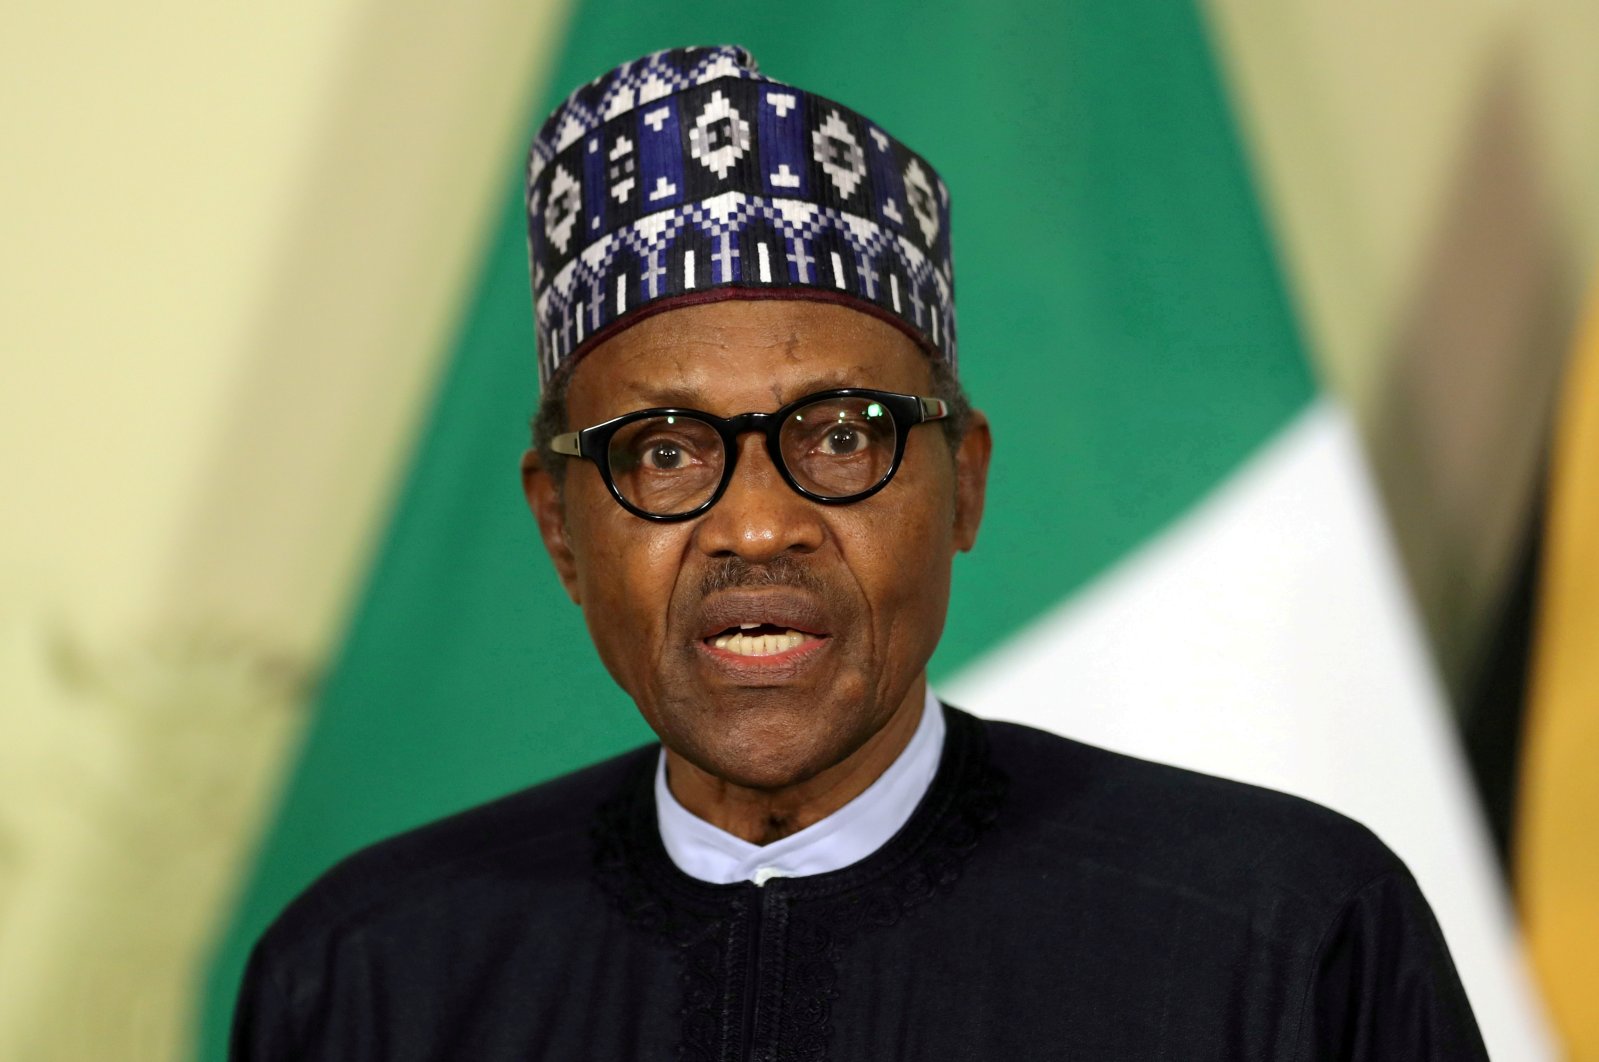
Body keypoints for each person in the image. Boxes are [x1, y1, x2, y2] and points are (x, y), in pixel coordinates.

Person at [231, 45, 1487, 1060]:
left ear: (964, 486)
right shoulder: (366, 977)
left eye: (841, 435)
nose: (759, 523)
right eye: (664, 451)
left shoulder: (1280, 935)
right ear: (563, 526)